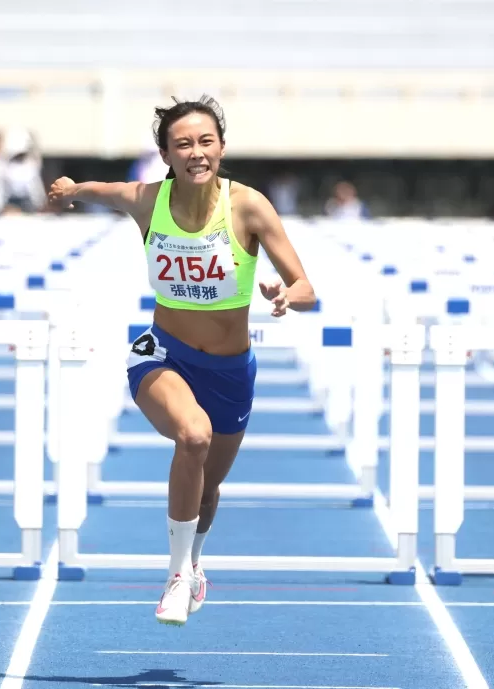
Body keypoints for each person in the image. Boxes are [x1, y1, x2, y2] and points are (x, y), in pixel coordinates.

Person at [46, 95, 317, 626]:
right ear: (166, 155)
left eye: (206, 141)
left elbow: (305, 283)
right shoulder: (148, 200)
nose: (196, 152)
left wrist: (287, 296)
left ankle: (194, 563)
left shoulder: (249, 206)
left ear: (221, 147)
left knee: (209, 487)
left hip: (230, 371)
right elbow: (102, 192)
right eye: (183, 144)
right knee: (193, 436)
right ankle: (175, 575)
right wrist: (70, 190)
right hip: (163, 355)